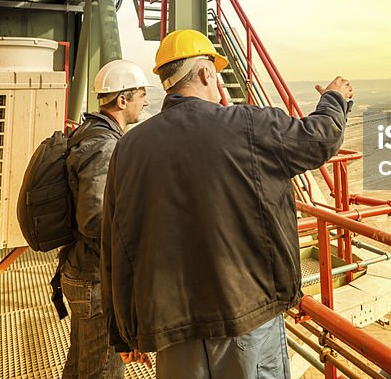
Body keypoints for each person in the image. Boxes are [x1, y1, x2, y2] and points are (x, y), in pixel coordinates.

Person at [101, 29, 354, 378]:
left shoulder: (128, 147)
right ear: (207, 74)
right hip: (246, 313)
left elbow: (114, 245)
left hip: (172, 327)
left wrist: (123, 333)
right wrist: (335, 100)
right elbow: (320, 140)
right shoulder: (248, 124)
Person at [60, 59, 150, 378]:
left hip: (79, 268)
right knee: (103, 370)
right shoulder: (106, 146)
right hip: (94, 280)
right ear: (122, 100)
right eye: (141, 94)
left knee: (81, 362)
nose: (147, 101)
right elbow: (95, 218)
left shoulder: (89, 131)